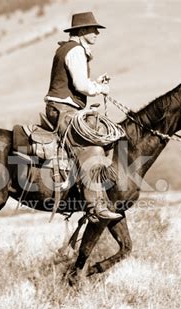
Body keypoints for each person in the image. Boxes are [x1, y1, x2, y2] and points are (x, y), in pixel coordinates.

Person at [44, 12, 122, 221]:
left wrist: (94, 83)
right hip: (64, 111)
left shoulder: (69, 49)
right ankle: (94, 206)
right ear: (81, 31)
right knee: (92, 150)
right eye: (92, 29)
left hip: (61, 108)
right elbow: (81, 86)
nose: (97, 33)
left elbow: (77, 83)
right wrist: (100, 87)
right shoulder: (76, 51)